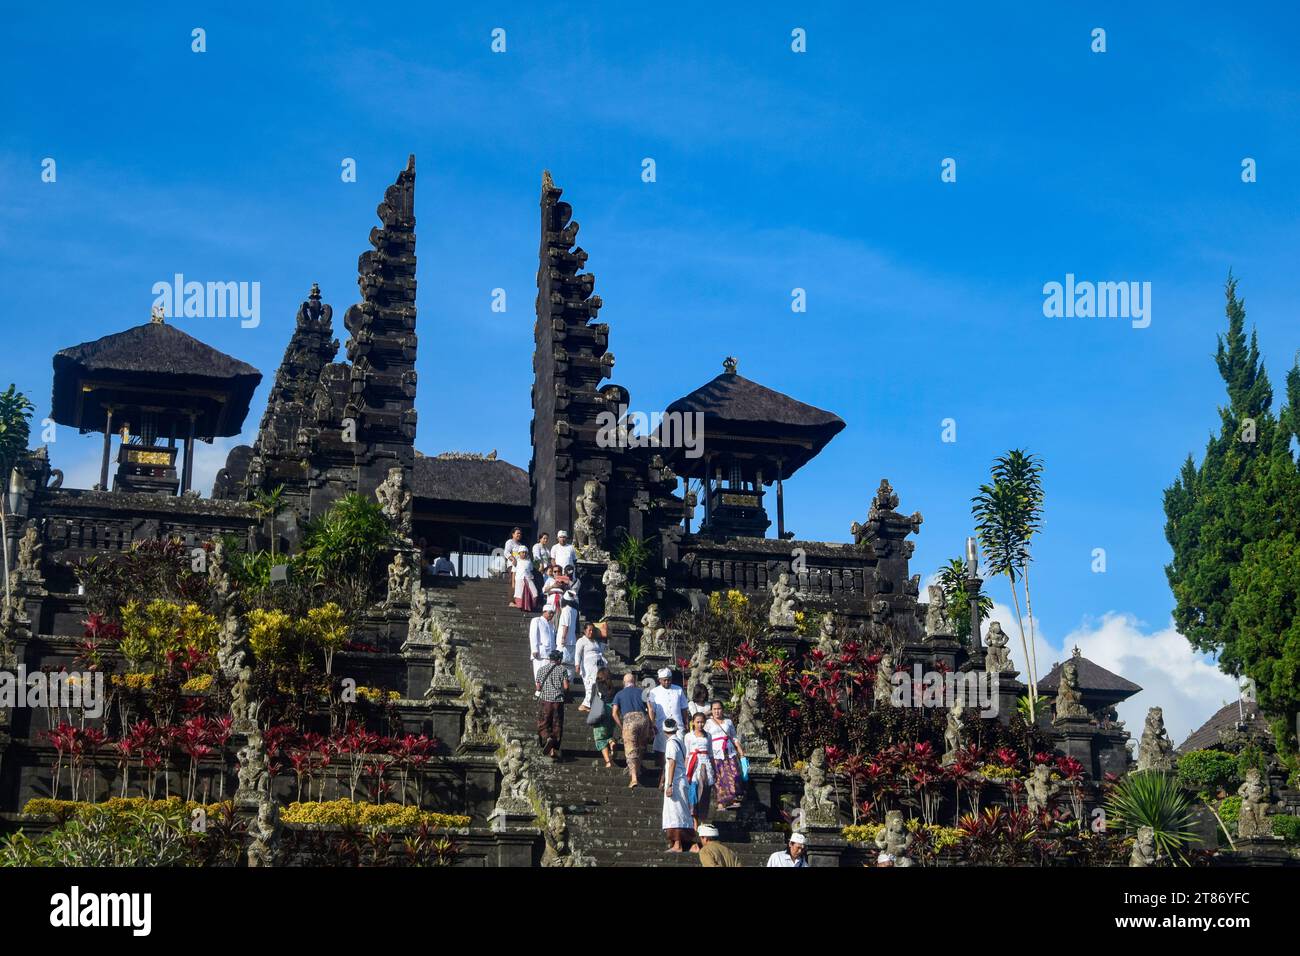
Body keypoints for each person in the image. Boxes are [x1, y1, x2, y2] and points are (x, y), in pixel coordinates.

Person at [611, 672, 652, 788]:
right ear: (634, 682)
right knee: (641, 746)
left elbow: (614, 713)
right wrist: (651, 724)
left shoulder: (619, 694)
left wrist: (621, 725)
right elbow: (650, 709)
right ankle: (638, 769)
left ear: (624, 683)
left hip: (629, 720)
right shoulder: (642, 692)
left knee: (630, 748)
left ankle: (634, 777)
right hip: (642, 719)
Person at [705, 700, 746, 811]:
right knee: (719, 777)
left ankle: (734, 800)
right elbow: (705, 738)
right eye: (714, 709)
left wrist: (740, 751)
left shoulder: (728, 722)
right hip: (715, 752)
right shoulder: (707, 723)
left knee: (734, 774)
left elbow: (734, 737)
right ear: (711, 710)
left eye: (719, 709)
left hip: (729, 751)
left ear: (722, 709)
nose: (717, 711)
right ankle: (721, 803)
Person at [661, 719, 692, 852]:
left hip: (676, 782)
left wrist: (669, 784)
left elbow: (672, 763)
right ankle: (682, 842)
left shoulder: (671, 744)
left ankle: (678, 843)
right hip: (681, 780)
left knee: (675, 813)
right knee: (681, 811)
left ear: (664, 731)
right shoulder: (680, 741)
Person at [647, 668, 689, 765]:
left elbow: (684, 708)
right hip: (661, 726)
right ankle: (663, 775)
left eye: (669, 679)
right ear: (659, 680)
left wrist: (686, 723)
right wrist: (652, 725)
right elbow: (651, 710)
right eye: (664, 680)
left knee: (679, 750)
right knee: (662, 751)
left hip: (678, 726)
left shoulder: (678, 689)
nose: (667, 682)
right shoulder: (654, 692)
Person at [535, 650, 569, 761]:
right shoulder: (562, 669)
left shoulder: (541, 670)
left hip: (545, 701)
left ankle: (547, 738)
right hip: (558, 702)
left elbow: (538, 687)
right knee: (557, 725)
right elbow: (566, 686)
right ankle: (553, 748)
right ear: (559, 659)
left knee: (543, 723)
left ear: (550, 658)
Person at [683, 712, 715, 828]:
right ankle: (694, 821)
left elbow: (711, 754)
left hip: (705, 764)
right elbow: (687, 754)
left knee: (704, 791)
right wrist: (685, 770)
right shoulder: (688, 736)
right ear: (693, 722)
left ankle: (702, 820)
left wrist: (714, 769)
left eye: (702, 722)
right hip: (693, 764)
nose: (700, 724)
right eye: (698, 722)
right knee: (693, 792)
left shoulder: (709, 736)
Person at [573, 622, 606, 711]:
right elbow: (578, 653)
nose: (591, 632)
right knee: (589, 684)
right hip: (587, 666)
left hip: (598, 665)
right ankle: (586, 704)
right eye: (589, 630)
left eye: (592, 630)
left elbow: (600, 651)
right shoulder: (581, 641)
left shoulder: (595, 641)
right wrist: (577, 664)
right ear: (584, 630)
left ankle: (594, 703)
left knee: (597, 684)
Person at [589, 669, 618, 769]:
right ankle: (611, 741)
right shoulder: (613, 687)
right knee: (609, 734)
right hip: (611, 712)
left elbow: (592, 700)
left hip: (600, 712)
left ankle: (608, 761)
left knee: (600, 738)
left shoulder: (596, 686)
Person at [528, 606, 557, 693]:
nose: (551, 615)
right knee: (538, 671)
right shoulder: (536, 620)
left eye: (553, 613)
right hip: (540, 652)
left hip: (549, 653)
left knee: (548, 672)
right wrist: (534, 649)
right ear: (544, 612)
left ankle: (545, 690)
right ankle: (538, 690)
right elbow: (533, 635)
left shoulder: (551, 624)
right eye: (550, 613)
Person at [554, 588, 580, 678]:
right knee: (569, 663)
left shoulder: (565, 610)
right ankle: (569, 680)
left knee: (561, 662)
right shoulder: (575, 611)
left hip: (565, 640)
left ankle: (562, 681)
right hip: (572, 640)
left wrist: (563, 638)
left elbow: (566, 625)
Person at [509, 532, 536, 611]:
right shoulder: (516, 561)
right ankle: (519, 605)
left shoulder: (529, 561)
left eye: (525, 552)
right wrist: (513, 583)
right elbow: (514, 572)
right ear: (519, 553)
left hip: (528, 579)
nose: (524, 554)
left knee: (534, 593)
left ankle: (530, 606)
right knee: (519, 594)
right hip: (519, 579)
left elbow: (531, 571)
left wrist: (532, 579)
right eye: (522, 552)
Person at [502, 527, 524, 603]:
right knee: (512, 582)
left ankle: (517, 600)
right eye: (517, 533)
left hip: (520, 567)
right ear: (513, 534)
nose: (519, 535)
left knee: (519, 583)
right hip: (512, 566)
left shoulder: (520, 544)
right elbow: (506, 552)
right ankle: (511, 601)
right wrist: (512, 559)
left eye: (520, 533)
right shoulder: (510, 542)